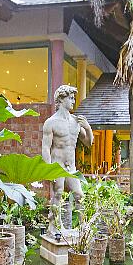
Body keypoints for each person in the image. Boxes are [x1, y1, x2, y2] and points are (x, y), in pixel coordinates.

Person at [41, 85, 94, 231]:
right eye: (70, 98)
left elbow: (89, 143)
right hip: (57, 165)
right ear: (61, 100)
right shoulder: (51, 123)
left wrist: (88, 128)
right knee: (58, 193)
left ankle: (83, 227)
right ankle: (54, 226)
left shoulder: (76, 122)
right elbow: (45, 148)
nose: (73, 101)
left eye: (73, 98)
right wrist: (48, 170)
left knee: (79, 195)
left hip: (71, 167)